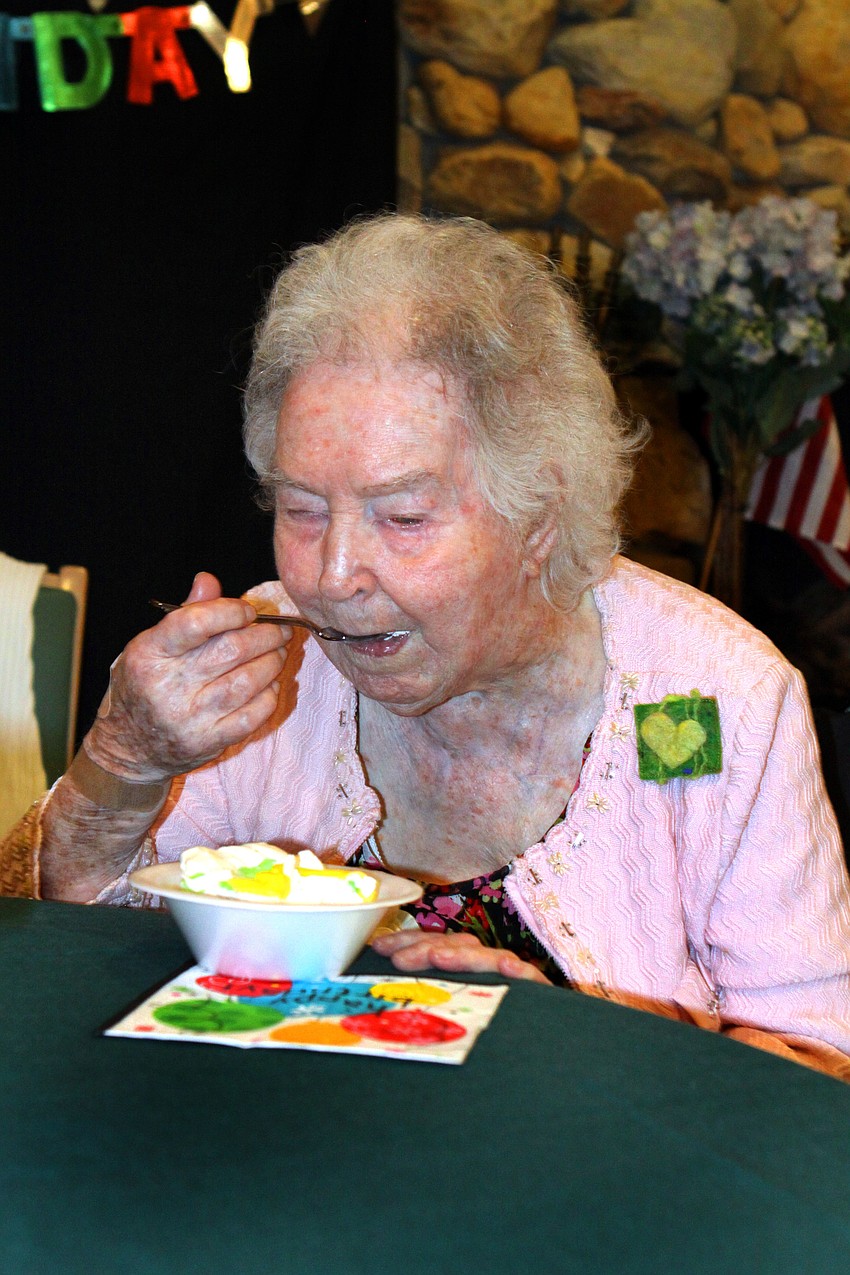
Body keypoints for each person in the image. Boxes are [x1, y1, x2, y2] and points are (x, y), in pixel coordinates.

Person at [4, 213, 850, 1079]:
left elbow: (820, 1078)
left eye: (402, 517)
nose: (332, 574)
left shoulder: (719, 695)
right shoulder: (264, 673)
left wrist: (567, 1031)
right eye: (301, 508)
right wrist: (123, 761)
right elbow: (57, 961)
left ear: (538, 516)